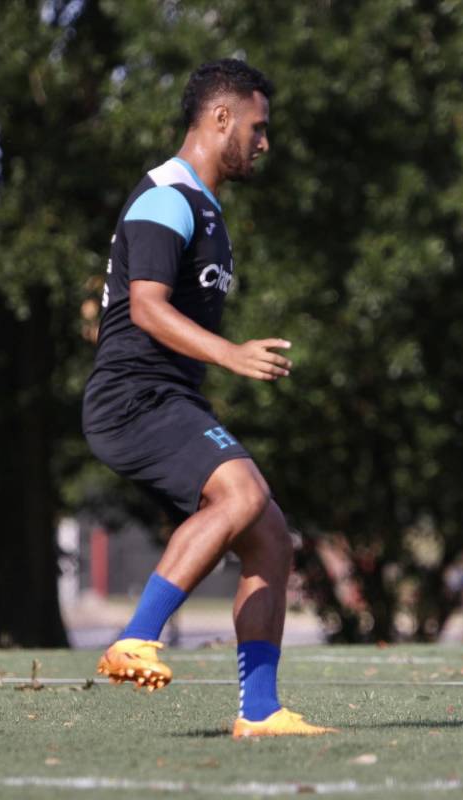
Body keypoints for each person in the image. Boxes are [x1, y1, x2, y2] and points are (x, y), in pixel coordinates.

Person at [82, 59, 335, 738]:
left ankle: (261, 711)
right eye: (257, 127)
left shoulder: (207, 206)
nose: (264, 142)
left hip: (165, 396)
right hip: (132, 398)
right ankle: (135, 638)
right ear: (221, 118)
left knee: (270, 538)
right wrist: (231, 354)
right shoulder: (167, 195)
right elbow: (146, 308)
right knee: (243, 495)